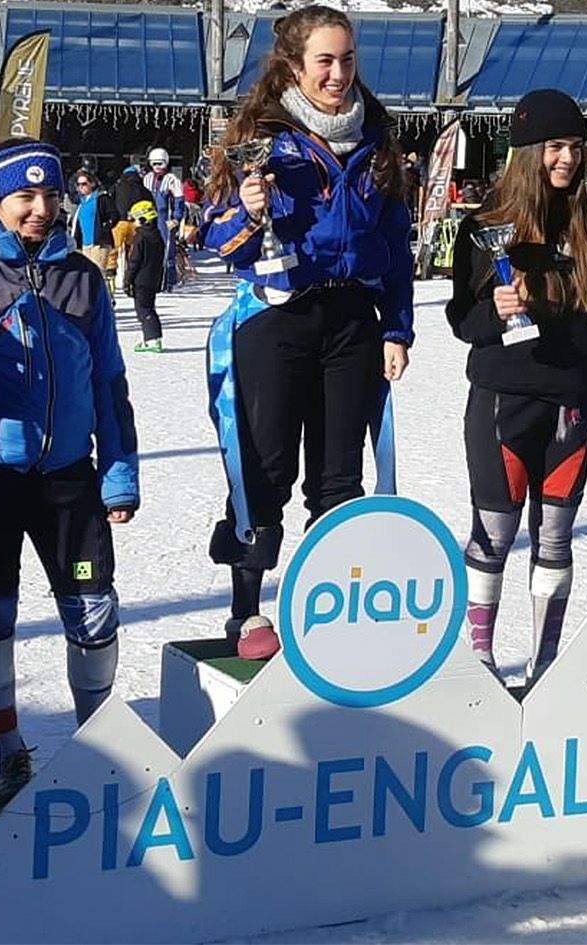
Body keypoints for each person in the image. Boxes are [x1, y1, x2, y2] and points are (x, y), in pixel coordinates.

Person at [0, 138, 139, 784]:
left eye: (51, 195)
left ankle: (98, 741)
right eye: (25, 197)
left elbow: (109, 384)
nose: (41, 208)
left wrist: (119, 469)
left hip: (70, 477)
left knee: (93, 608)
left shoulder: (83, 278)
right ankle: (10, 746)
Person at [202, 4, 415, 660]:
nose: (338, 73)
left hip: (352, 319)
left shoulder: (376, 132)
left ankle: (331, 607)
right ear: (294, 64)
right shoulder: (263, 133)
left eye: (347, 58)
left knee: (339, 477)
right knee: (265, 466)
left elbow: (395, 242)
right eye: (324, 60)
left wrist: (397, 326)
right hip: (277, 316)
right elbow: (220, 241)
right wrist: (245, 208)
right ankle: (247, 610)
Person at [446, 89, 587, 683]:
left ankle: (544, 666)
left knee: (556, 537)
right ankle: (481, 660)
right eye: (555, 147)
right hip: (505, 400)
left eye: (575, 148)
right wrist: (495, 311)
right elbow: (461, 321)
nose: (568, 160)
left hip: (570, 408)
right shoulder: (484, 227)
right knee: (493, 535)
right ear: (528, 152)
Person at [124, 199, 166, 353]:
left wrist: (127, 280)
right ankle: (153, 337)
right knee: (149, 307)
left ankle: (152, 339)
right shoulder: (158, 236)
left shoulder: (140, 237)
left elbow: (134, 261)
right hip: (153, 278)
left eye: (134, 219)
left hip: (141, 280)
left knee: (143, 309)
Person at [144, 148, 188, 289]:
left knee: (167, 249)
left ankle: (168, 280)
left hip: (164, 218)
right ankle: (152, 279)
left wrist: (176, 218)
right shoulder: (147, 178)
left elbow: (179, 200)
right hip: (149, 217)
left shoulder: (172, 180)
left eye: (160, 163)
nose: (157, 167)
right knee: (149, 249)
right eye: (154, 163)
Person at [72, 169, 118, 294]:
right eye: (79, 185)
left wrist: (105, 228)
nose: (81, 187)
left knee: (97, 273)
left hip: (99, 242)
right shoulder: (82, 203)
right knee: (88, 275)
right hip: (86, 244)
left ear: (92, 184)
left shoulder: (101, 198)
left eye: (84, 184)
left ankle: (105, 300)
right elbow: (79, 224)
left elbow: (114, 215)